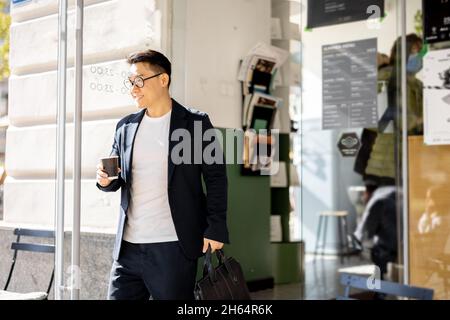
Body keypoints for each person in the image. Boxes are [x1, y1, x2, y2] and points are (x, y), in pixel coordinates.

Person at [96, 49, 229, 300]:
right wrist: (104, 180)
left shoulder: (195, 124)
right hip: (127, 249)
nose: (133, 88)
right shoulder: (125, 126)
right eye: (130, 82)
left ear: (163, 79)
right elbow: (115, 179)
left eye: (139, 80)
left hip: (173, 247)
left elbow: (216, 178)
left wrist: (216, 227)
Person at [351, 181, 398, 279]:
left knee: (375, 252)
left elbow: (366, 231)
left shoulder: (376, 200)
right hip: (405, 241)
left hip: (390, 246)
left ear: (367, 192)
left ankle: (380, 288)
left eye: (364, 194)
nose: (363, 197)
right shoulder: (392, 191)